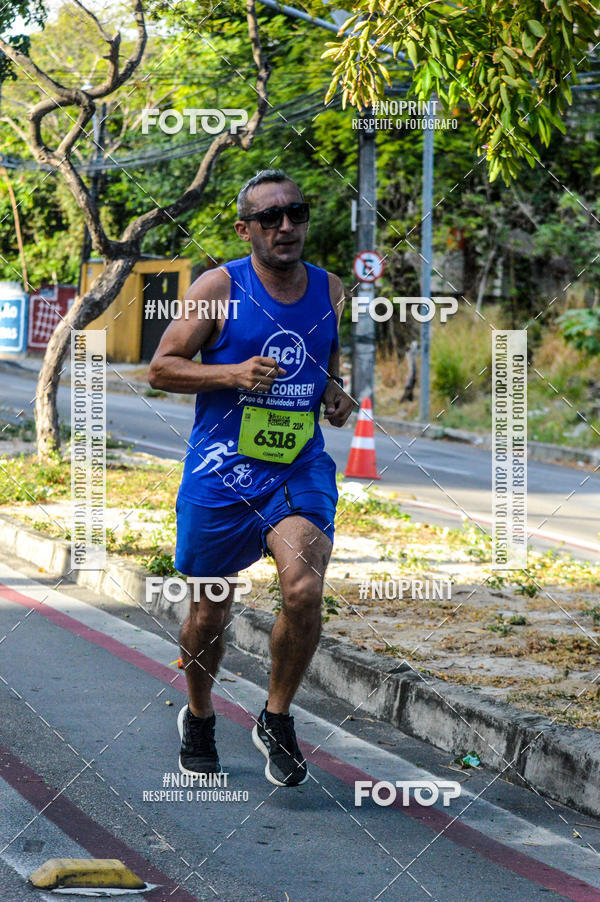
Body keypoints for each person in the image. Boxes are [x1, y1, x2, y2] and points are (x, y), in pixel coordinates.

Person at [148, 169, 354, 787]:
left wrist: (337, 393)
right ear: (246, 229)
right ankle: (201, 713)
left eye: (296, 213)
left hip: (297, 468)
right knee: (210, 611)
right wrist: (231, 375)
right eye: (270, 218)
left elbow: (325, 359)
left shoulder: (331, 288)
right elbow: (161, 368)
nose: (286, 226)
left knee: (303, 588)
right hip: (220, 473)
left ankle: (276, 716)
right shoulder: (219, 286)